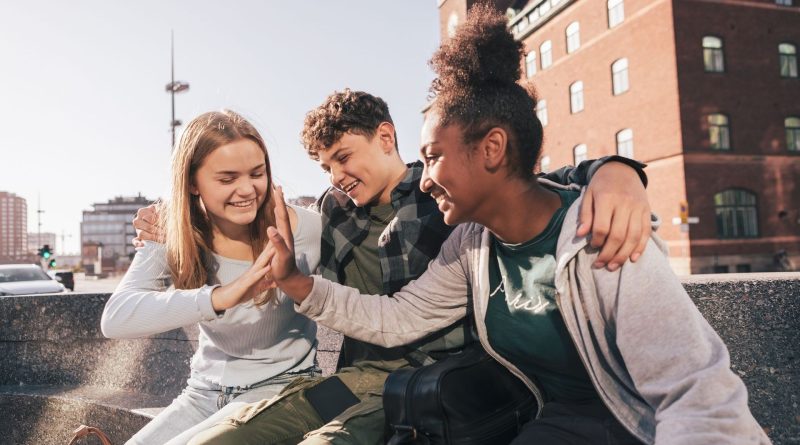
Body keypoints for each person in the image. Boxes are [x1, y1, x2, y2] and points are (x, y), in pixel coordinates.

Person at [255, 6, 771, 445]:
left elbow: (699, 396)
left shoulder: (600, 234)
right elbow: (399, 318)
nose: (426, 180)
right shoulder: (471, 244)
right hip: (547, 423)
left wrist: (616, 171)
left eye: (433, 158)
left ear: (493, 149)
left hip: (634, 428)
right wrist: (296, 283)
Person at [188, 88, 652, 444]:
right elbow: (261, 218)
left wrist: (615, 170)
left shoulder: (446, 192)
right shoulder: (335, 207)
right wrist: (175, 217)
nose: (337, 176)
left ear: (386, 137)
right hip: (358, 377)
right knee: (235, 433)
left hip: (427, 382)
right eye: (326, 166)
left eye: (344, 157)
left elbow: (529, 184)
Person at [101, 110, 322, 445]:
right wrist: (224, 295)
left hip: (282, 388)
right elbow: (116, 319)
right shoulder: (172, 232)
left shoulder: (306, 229)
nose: (247, 189)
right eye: (227, 178)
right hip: (203, 393)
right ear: (192, 182)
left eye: (256, 173)